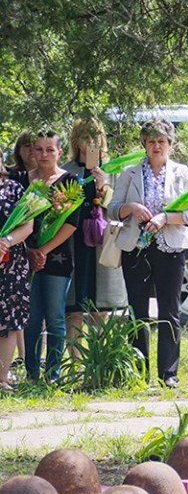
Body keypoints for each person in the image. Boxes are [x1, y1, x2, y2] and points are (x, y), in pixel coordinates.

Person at [110, 119, 188, 388]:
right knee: (138, 310)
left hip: (169, 247)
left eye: (161, 141)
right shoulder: (129, 173)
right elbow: (111, 209)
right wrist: (132, 208)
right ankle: (138, 371)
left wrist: (165, 218)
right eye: (151, 141)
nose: (156, 146)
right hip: (136, 247)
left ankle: (168, 374)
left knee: (169, 310)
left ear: (170, 145)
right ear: (144, 145)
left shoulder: (182, 173)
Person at [63, 119, 126, 352]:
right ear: (75, 141)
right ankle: (74, 362)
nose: (91, 142)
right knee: (74, 306)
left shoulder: (113, 171)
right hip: (74, 244)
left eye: (96, 137)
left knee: (101, 307)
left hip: (103, 244)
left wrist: (103, 188)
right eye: (85, 137)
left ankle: (99, 359)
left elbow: (118, 208)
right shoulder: (66, 171)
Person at [24, 131, 81, 381]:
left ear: (59, 152)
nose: (44, 154)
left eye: (50, 149)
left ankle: (53, 374)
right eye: (39, 149)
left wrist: (43, 251)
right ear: (32, 152)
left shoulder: (70, 182)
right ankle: (31, 372)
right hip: (24, 258)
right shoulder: (23, 180)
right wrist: (28, 250)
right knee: (31, 318)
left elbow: (71, 223)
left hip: (57, 259)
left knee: (55, 317)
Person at [0, 161, 33, 390]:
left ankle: (1, 378)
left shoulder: (14, 188)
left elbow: (28, 225)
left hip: (11, 262)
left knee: (10, 319)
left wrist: (6, 242)